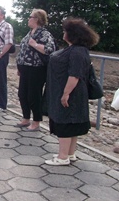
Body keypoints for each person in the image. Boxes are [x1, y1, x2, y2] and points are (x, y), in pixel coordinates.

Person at [45, 17, 99, 166]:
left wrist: (65, 93)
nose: (64, 33)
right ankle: (70, 153)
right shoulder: (78, 50)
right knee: (72, 123)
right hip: (74, 92)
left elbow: (74, 75)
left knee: (65, 122)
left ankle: (62, 157)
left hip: (71, 93)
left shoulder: (76, 52)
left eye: (65, 31)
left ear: (72, 34)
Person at [15, 9, 56, 131]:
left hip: (37, 70)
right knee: (22, 94)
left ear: (37, 19)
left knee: (34, 96)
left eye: (30, 17)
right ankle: (26, 118)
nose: (28, 19)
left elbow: (50, 49)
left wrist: (35, 45)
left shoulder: (45, 34)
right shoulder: (30, 33)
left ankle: (36, 121)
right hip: (25, 68)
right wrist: (20, 66)